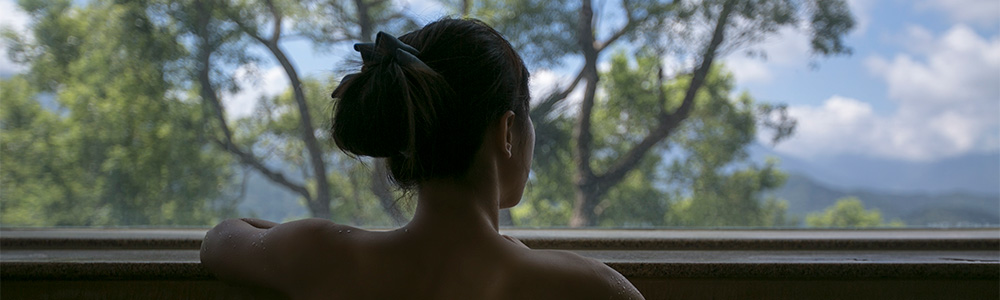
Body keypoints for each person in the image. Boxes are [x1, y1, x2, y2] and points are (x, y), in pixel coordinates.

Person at [201, 18, 644, 300]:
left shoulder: (325, 256)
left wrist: (325, 237)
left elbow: (221, 239)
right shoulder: (584, 287)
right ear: (507, 131)